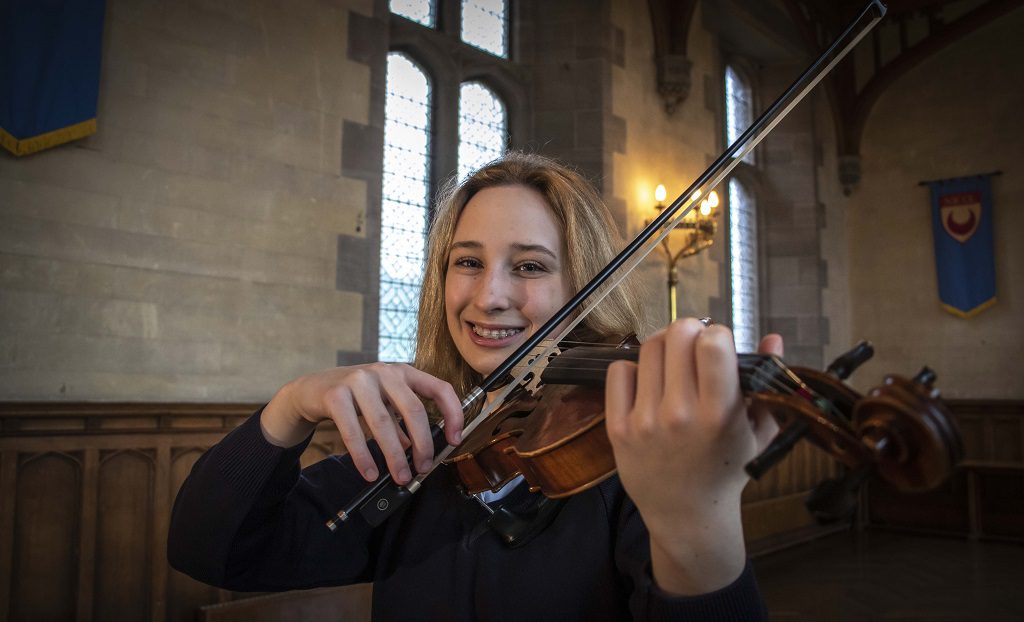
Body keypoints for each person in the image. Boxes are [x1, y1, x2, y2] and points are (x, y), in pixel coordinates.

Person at [168, 152, 782, 621]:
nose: (489, 296)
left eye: (530, 266)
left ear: (583, 284)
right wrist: (289, 407)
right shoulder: (425, 441)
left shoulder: (631, 447)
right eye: (468, 261)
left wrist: (696, 523)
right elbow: (212, 552)